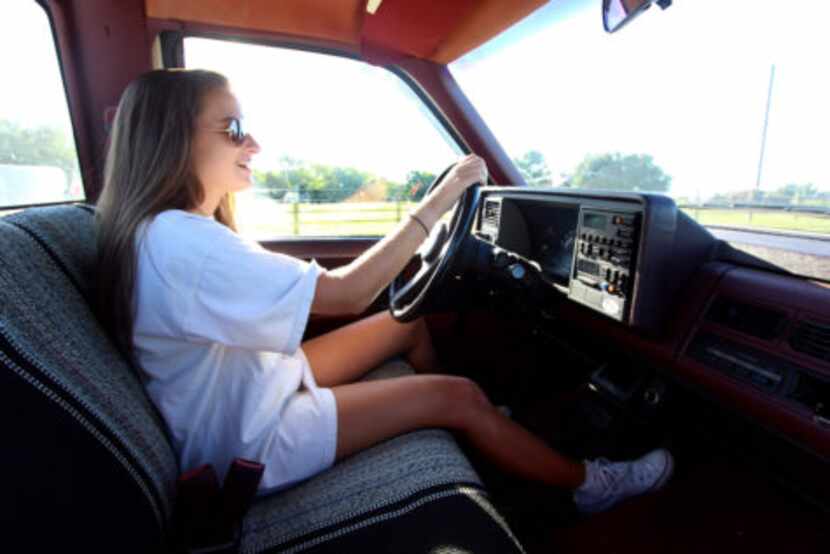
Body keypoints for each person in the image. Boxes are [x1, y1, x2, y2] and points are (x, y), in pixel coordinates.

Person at [94, 69, 672, 515]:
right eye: (235, 130)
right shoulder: (181, 242)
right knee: (458, 394)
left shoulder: (169, 232)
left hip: (247, 391)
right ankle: (590, 485)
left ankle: (488, 431)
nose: (255, 145)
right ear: (173, 140)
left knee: (409, 321)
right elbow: (347, 293)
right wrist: (437, 202)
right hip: (250, 443)